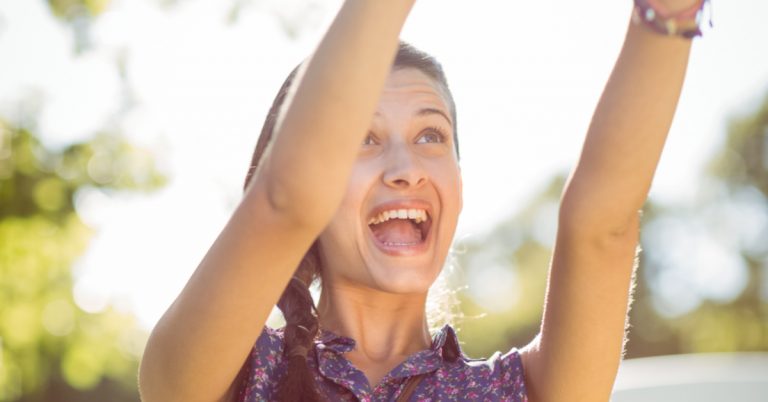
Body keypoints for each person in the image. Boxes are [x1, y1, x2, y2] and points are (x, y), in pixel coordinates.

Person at [138, 0, 710, 401]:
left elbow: (603, 226)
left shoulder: (518, 395)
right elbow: (287, 197)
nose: (406, 169)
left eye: (430, 135)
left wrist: (671, 11)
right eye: (363, 139)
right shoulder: (229, 372)